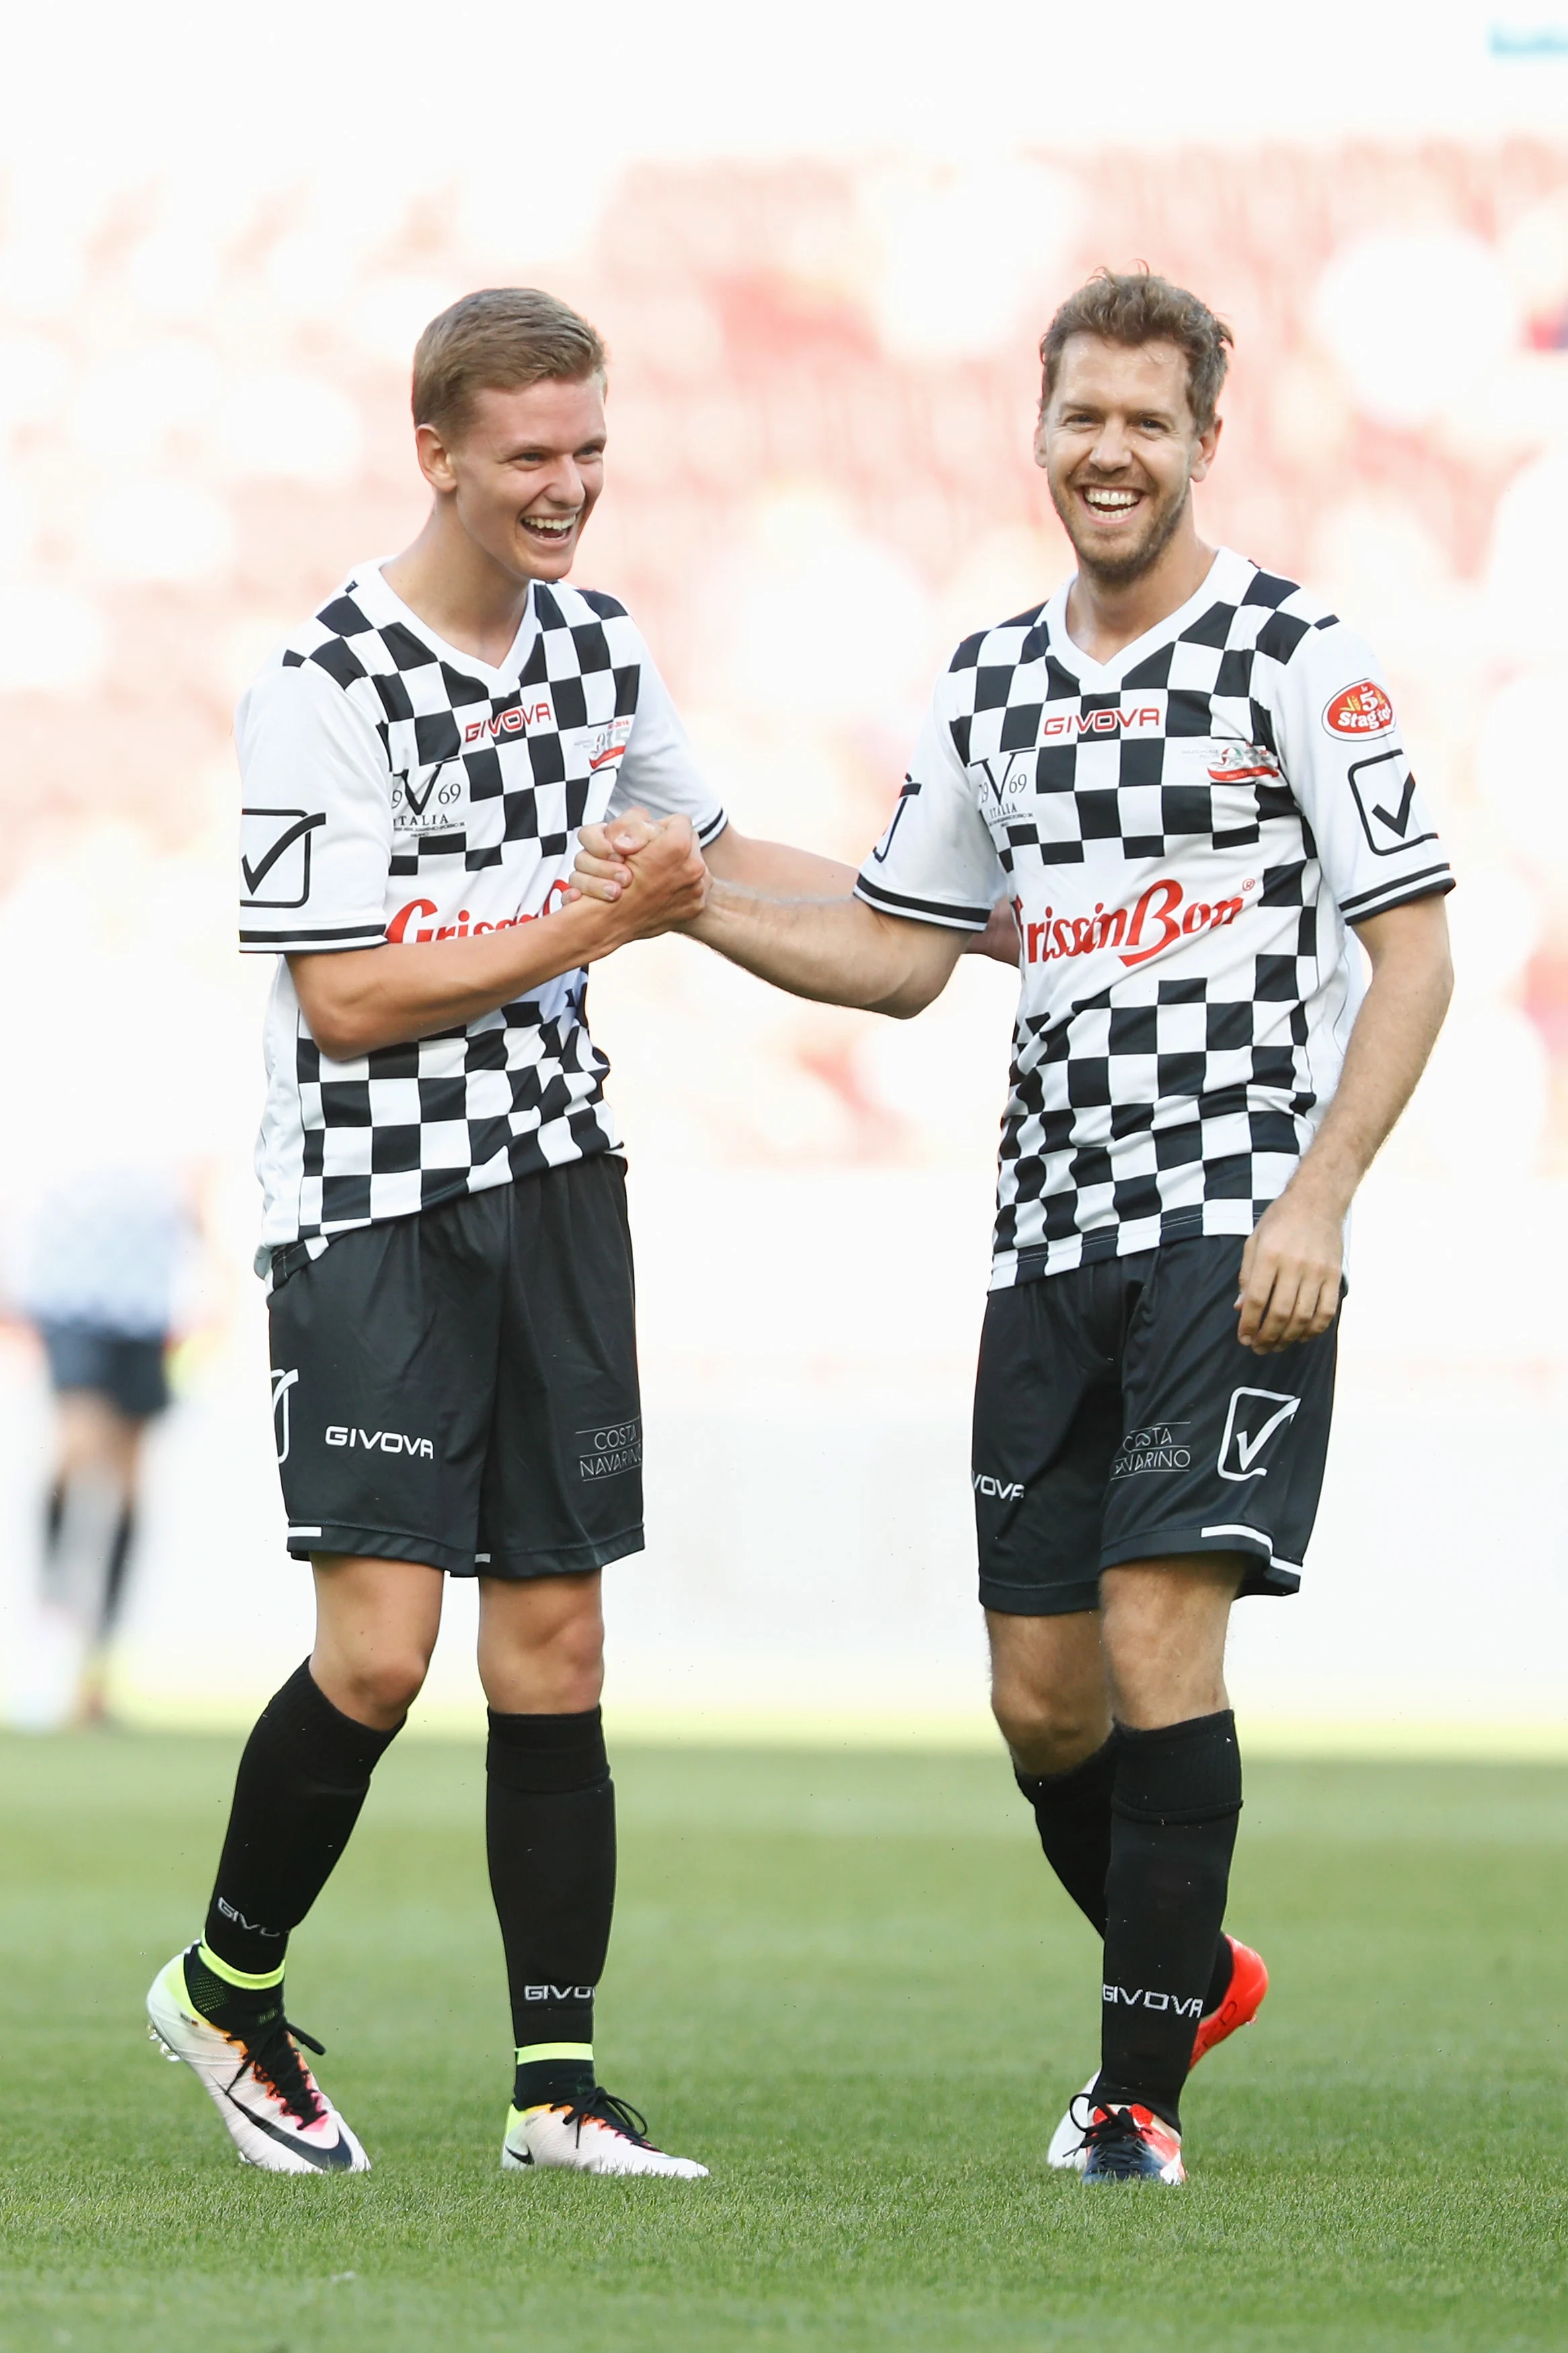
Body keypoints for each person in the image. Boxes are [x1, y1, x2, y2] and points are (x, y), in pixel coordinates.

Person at [571, 269, 1454, 2185]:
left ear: (1206, 439)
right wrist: (682, 906)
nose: (1109, 451)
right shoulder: (983, 683)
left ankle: (1128, 2099)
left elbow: (1413, 952)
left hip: (1234, 1232)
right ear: (1036, 429)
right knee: (1037, 1701)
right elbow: (899, 951)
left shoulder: (1302, 658)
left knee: (1156, 1645)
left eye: (1148, 420)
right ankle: (1183, 1968)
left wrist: (1319, 1190)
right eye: (1081, 417)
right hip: (1045, 1243)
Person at [147, 287, 858, 2179]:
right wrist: (598, 927)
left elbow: (707, 856)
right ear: (437, 450)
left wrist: (965, 907)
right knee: (377, 1655)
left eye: (590, 450)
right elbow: (347, 996)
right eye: (531, 455)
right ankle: (226, 1991)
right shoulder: (321, 677)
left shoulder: (603, 649)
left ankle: (556, 2087)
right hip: (374, 1205)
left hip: (553, 1186)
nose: (567, 489)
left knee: (554, 1644)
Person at [17, 1164, 187, 1726]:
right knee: (78, 1452)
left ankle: (97, 1665)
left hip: (146, 1303)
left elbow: (197, 1183)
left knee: (130, 1481)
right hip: (70, 1296)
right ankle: (51, 1635)